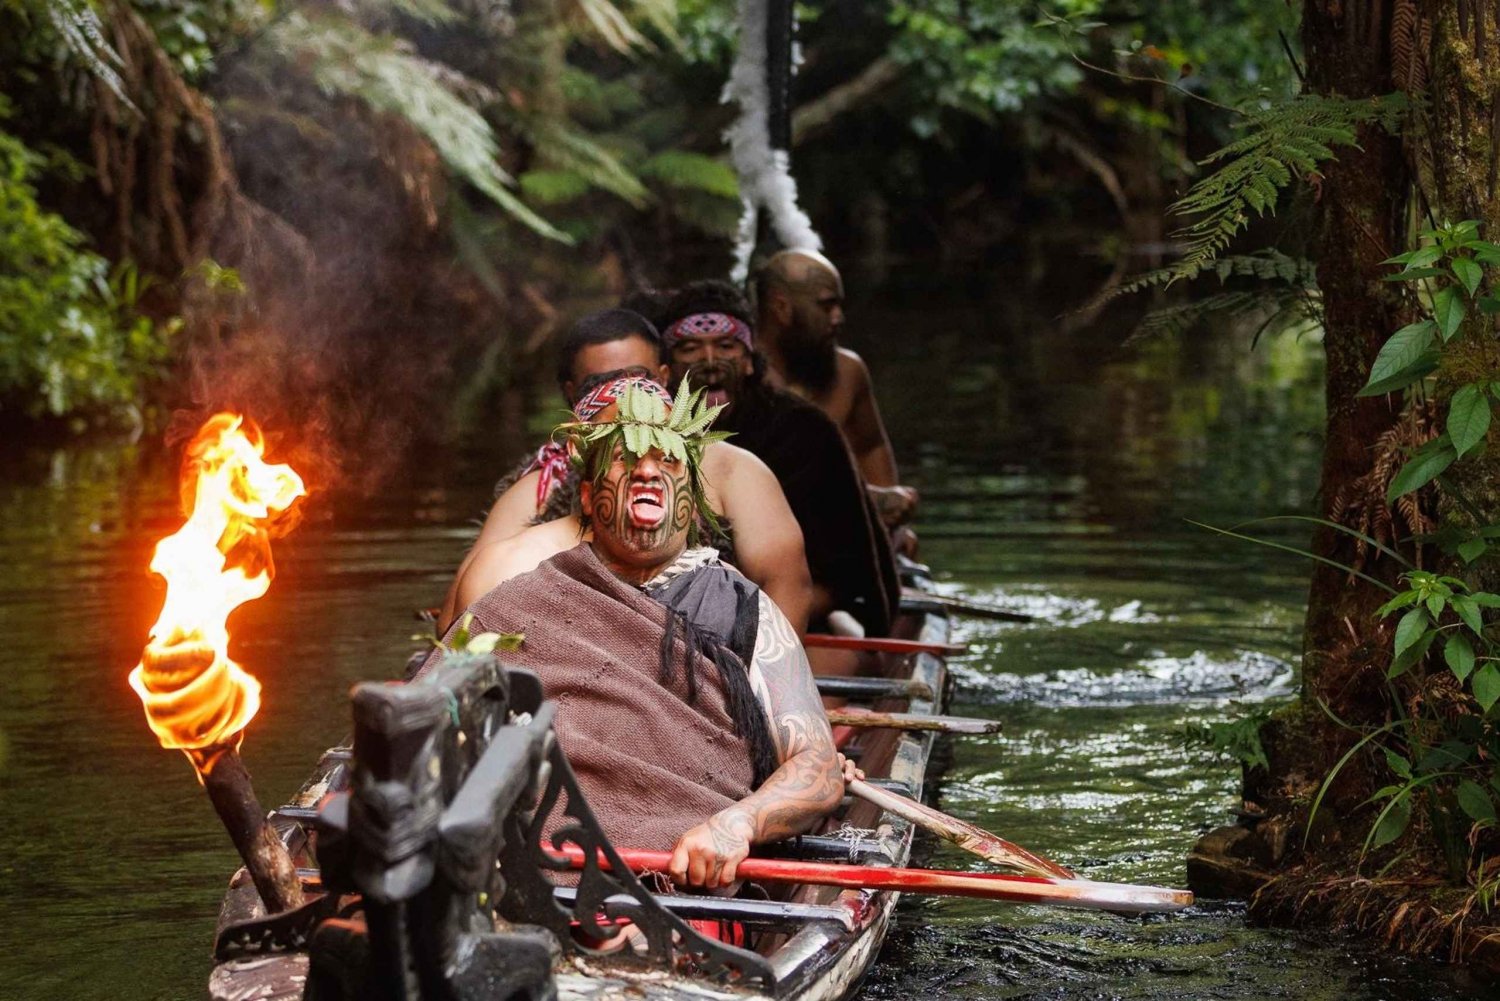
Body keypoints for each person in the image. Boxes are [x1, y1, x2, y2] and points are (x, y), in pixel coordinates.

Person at [425, 382, 843, 889]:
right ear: (586, 495)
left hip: (676, 875)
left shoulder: (745, 612)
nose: (648, 470)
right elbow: (426, 719)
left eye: (668, 462)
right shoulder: (515, 600)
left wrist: (738, 822)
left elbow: (818, 765)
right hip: (517, 862)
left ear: (691, 498)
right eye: (625, 460)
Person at [437, 308, 813, 635]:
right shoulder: (541, 490)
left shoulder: (733, 470)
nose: (622, 395)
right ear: (573, 401)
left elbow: (786, 585)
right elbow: (457, 621)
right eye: (599, 385)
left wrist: (762, 686)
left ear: (664, 379)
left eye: (637, 377)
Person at [660, 280, 898, 638]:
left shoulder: (803, 430)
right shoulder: (648, 438)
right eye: (690, 349)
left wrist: (748, 628)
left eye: (726, 346)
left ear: (750, 362)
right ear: (667, 370)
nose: (709, 363)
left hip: (793, 618)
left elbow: (844, 574)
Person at [750, 249, 919, 533]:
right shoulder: (741, 379)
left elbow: (869, 446)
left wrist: (892, 528)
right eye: (826, 306)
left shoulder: (849, 371)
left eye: (839, 305)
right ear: (781, 308)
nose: (838, 317)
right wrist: (868, 501)